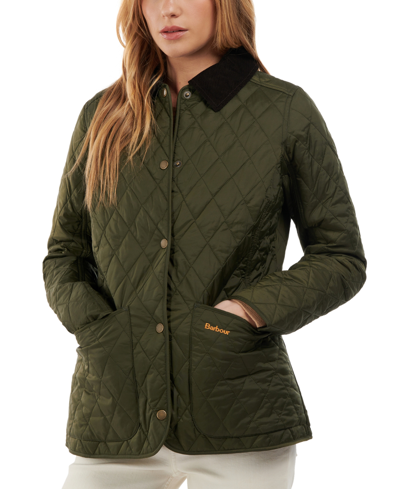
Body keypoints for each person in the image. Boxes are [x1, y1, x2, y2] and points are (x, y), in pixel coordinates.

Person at [42, 0, 367, 488]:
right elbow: (65, 253)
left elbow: (340, 257)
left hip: (239, 414)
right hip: (114, 413)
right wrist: (97, 327)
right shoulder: (103, 114)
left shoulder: (283, 110)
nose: (168, 10)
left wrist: (245, 312)